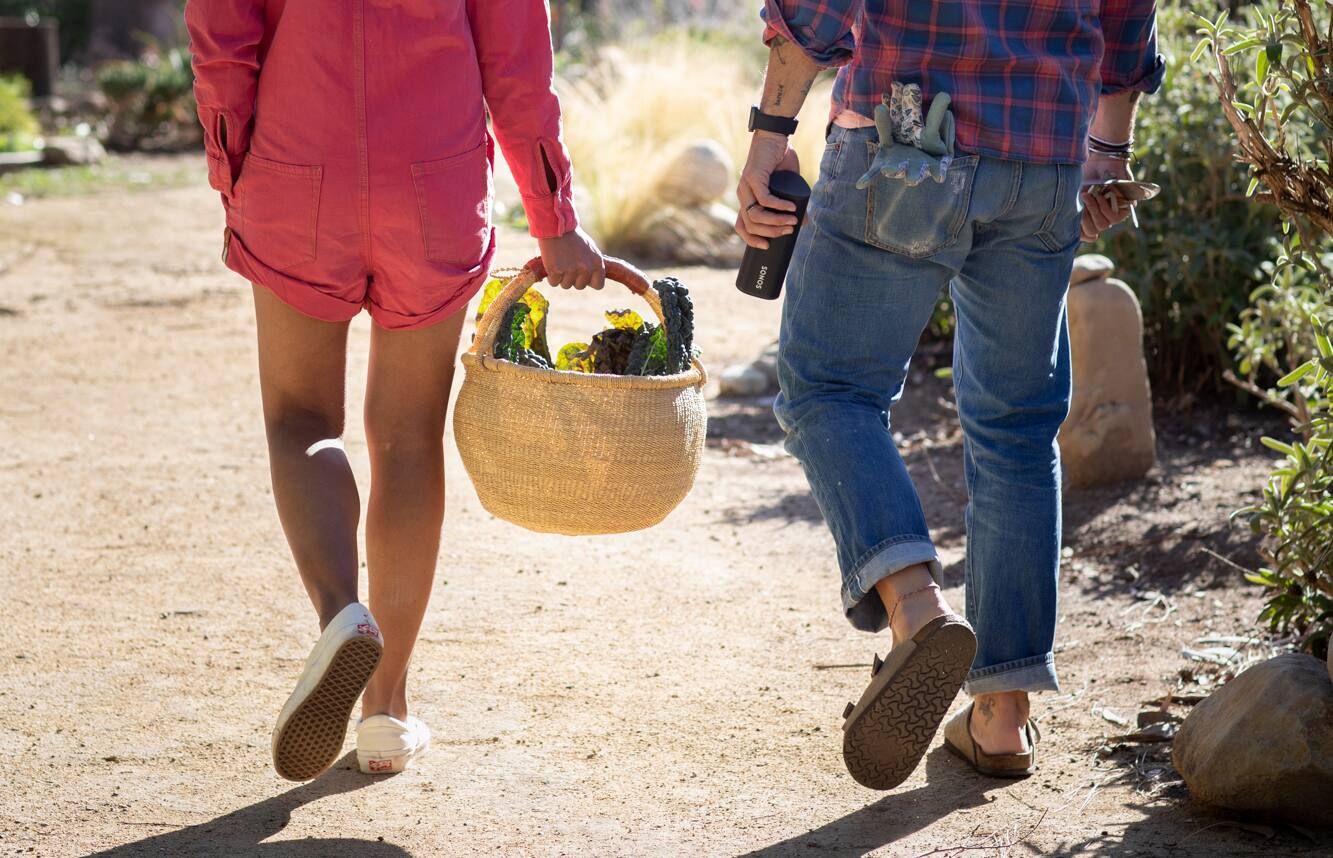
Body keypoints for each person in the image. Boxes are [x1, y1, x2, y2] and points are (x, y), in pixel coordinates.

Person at [736, 0, 1162, 788]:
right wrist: (1107, 151)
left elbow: (812, 14)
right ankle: (1002, 721)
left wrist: (770, 134)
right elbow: (1125, 16)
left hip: (900, 140)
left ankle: (914, 607)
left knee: (828, 386)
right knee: (1015, 433)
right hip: (1043, 161)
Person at [185, 0, 604, 781]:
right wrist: (552, 215)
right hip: (433, 181)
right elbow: (518, 66)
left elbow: (221, 35)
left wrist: (230, 161)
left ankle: (341, 615)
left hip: (293, 165)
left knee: (301, 419)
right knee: (409, 435)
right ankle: (386, 709)